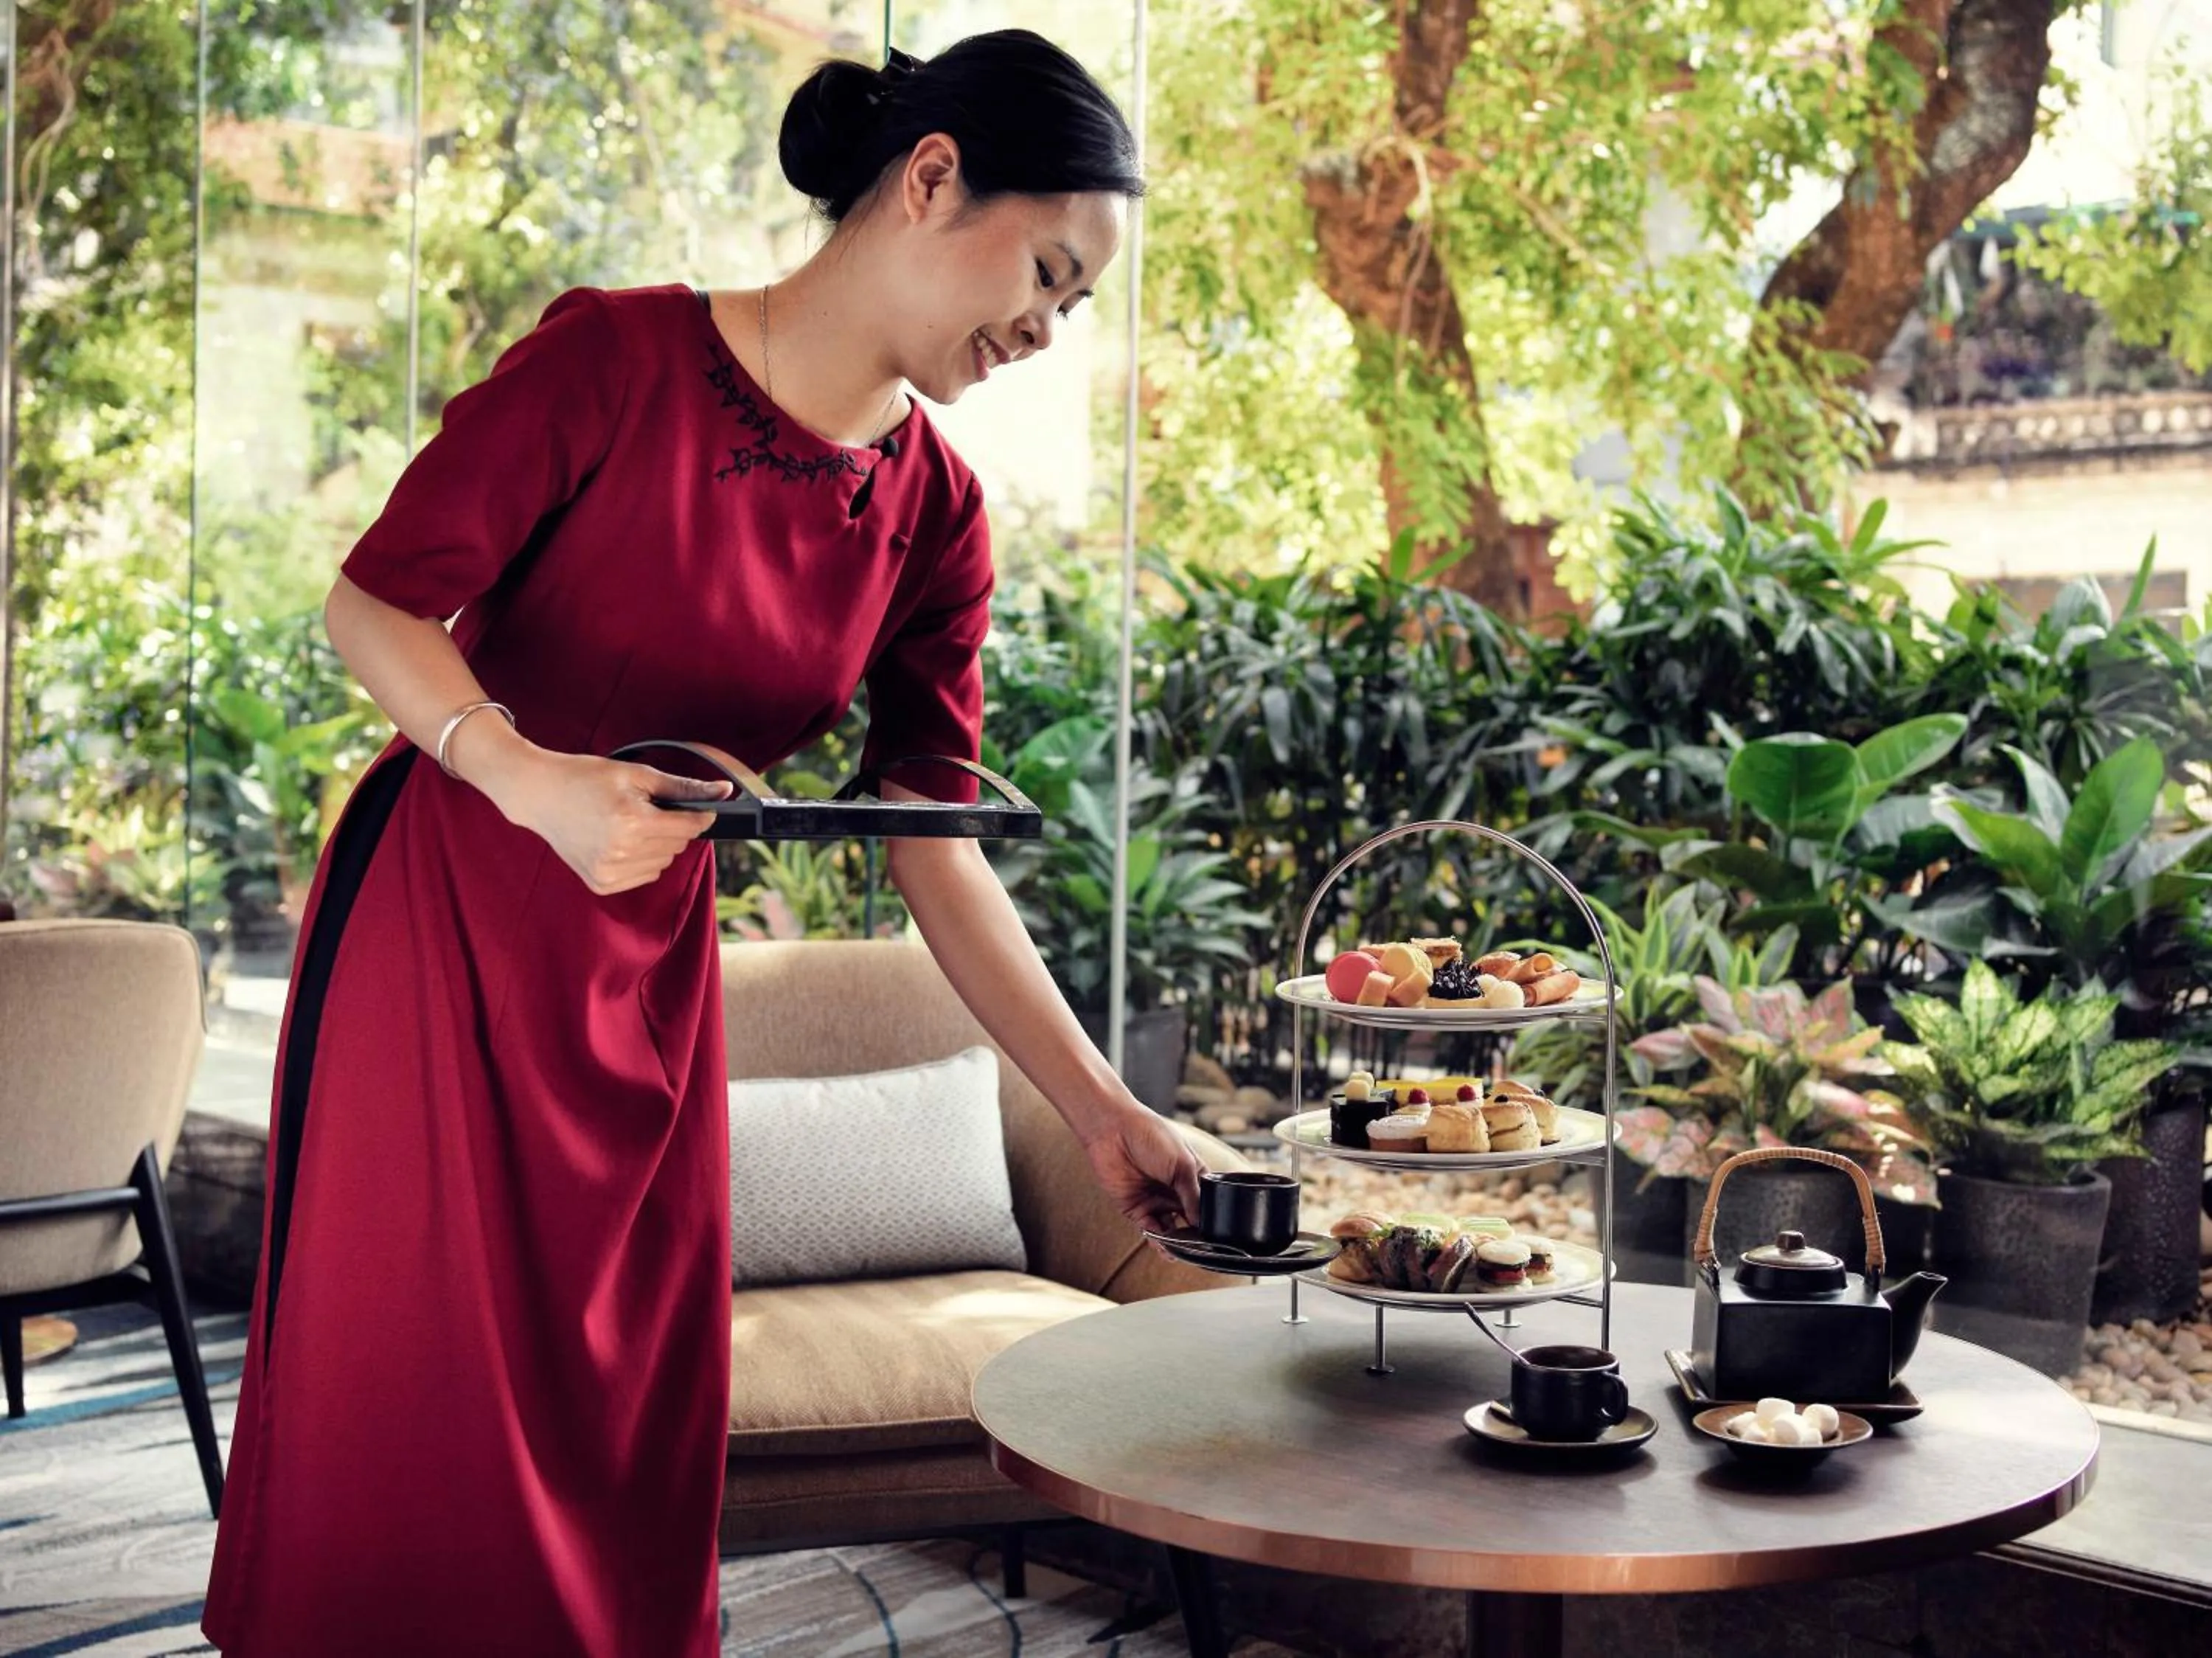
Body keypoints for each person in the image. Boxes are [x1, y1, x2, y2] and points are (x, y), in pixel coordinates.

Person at [202, 31, 1202, 1657]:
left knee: (627, 1412)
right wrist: (526, 779)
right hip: (449, 911)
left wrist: (1100, 1112)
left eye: (1076, 303)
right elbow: (374, 600)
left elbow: (933, 843)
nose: (1045, 325)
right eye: (1046, 269)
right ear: (930, 176)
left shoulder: (937, 513)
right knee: (429, 1411)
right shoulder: (613, 360)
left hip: (647, 958)